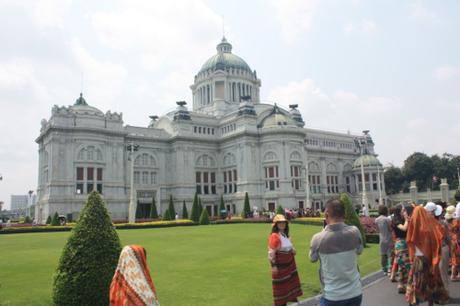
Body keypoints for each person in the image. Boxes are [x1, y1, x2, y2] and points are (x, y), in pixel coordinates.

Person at [309, 198, 363, 306]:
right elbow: (359, 251)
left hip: (332, 296)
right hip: (355, 293)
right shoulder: (354, 231)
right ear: (344, 214)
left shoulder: (318, 238)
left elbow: (312, 258)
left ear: (326, 215)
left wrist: (324, 231)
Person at [405, 205, 447, 306]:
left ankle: (414, 302)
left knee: (416, 284)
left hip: (418, 260)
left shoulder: (413, 226)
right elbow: (439, 235)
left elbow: (410, 241)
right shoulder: (429, 226)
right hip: (429, 259)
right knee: (430, 284)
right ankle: (430, 304)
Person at [268, 214, 302, 306]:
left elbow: (291, 250)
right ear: (276, 225)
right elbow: (271, 253)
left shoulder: (286, 235)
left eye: (284, 223)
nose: (282, 224)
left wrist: (293, 250)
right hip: (280, 267)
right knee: (281, 291)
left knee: (288, 288)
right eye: (280, 223)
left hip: (289, 266)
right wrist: (273, 266)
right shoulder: (275, 236)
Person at [391, 203, 412, 294]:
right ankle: (408, 285)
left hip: (404, 243)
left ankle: (400, 284)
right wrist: (407, 219)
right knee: (407, 264)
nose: (404, 211)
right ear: (399, 211)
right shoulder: (396, 221)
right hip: (401, 244)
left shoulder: (401, 219)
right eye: (403, 210)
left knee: (401, 265)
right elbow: (404, 229)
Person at [433, 204, 451, 303]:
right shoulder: (443, 224)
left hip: (437, 249)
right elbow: (448, 239)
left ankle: (443, 296)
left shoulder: (433, 224)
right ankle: (443, 295)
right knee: (442, 273)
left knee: (439, 273)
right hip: (443, 248)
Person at [375, 205, 392, 275]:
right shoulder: (387, 219)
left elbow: (377, 230)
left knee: (383, 255)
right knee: (389, 255)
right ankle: (389, 269)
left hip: (381, 239)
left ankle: (384, 269)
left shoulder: (376, 220)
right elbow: (390, 229)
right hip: (388, 238)